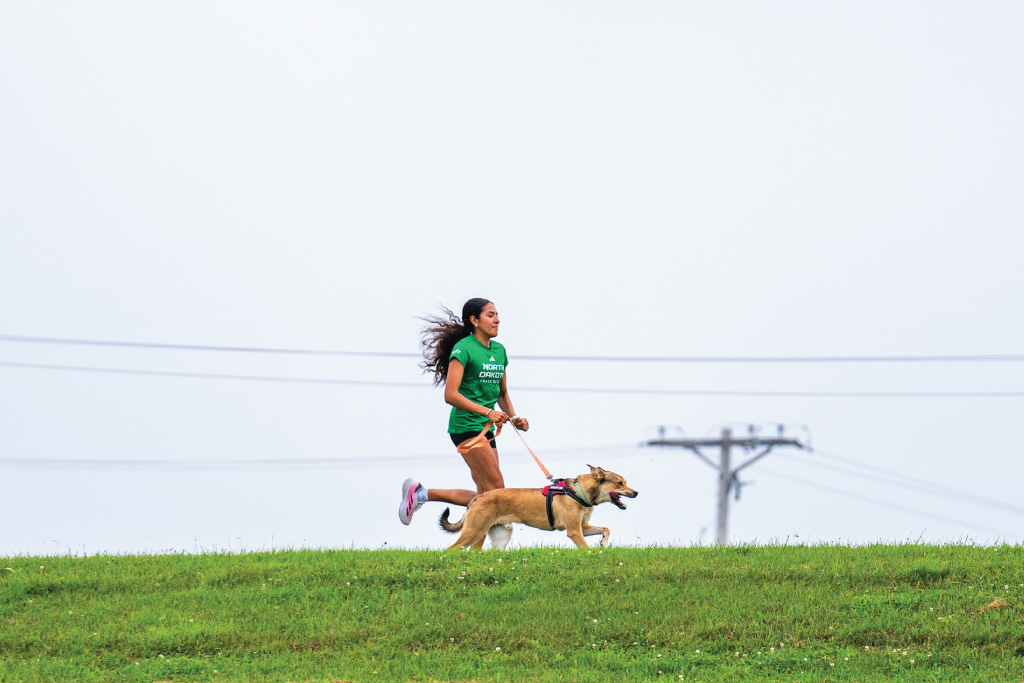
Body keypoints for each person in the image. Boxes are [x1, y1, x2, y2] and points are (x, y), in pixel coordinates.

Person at [399, 298, 529, 526]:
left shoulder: (499, 351)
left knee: (485, 495)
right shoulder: (463, 349)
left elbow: (502, 393)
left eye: (497, 314)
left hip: (486, 428)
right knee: (497, 490)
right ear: (474, 321)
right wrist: (488, 413)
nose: (497, 320)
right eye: (490, 315)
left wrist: (515, 417)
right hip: (466, 426)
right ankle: (422, 494)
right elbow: (451, 394)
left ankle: (421, 494)